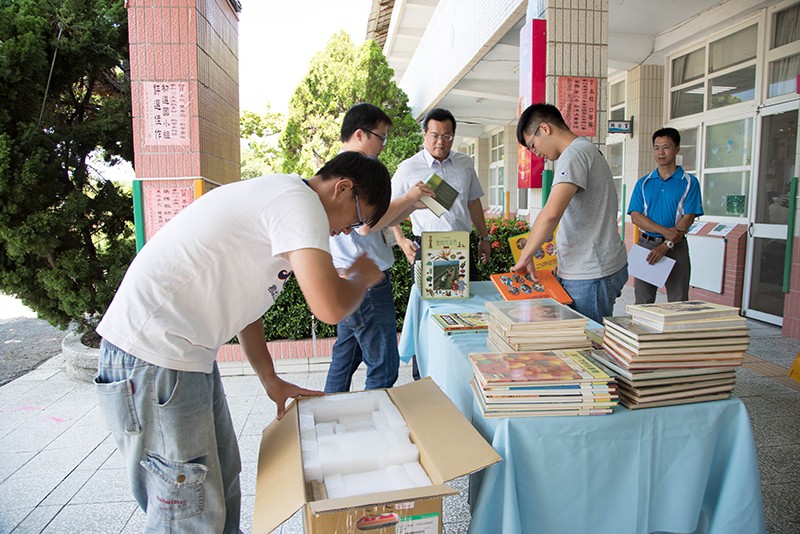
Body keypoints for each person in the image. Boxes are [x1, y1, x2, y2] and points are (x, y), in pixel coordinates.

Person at [94, 151, 391, 533]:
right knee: (188, 510)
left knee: (219, 482)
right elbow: (330, 307)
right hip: (153, 357)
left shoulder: (283, 199)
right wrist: (363, 278)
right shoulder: (297, 203)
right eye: (356, 219)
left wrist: (270, 378)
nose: (347, 232)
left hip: (180, 358)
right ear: (343, 187)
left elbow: (248, 306)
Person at [325, 103, 433, 393]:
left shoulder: (338, 170)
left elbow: (378, 221)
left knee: (344, 359)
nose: (383, 145)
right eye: (380, 137)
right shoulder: (353, 174)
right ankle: (375, 427)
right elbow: (367, 224)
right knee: (383, 367)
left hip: (349, 276)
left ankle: (328, 417)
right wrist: (408, 196)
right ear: (360, 134)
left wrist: (410, 203)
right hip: (365, 281)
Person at [390, 107, 491, 379]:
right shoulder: (409, 168)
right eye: (434, 135)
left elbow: (473, 202)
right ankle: (422, 375)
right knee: (428, 313)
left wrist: (484, 237)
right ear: (424, 134)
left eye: (447, 136)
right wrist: (401, 240)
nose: (440, 142)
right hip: (428, 249)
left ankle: (459, 371)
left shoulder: (465, 164)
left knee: (463, 311)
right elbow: (388, 209)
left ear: (454, 136)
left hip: (462, 247)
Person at [512, 103, 628, 325]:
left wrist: (526, 256)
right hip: (591, 267)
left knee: (587, 345)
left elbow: (551, 213)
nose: (537, 154)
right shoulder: (585, 149)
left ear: (545, 129)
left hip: (590, 273)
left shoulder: (573, 154)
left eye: (533, 146)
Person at [628, 127, 703, 304]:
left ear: (677, 148)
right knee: (643, 303)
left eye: (666, 147)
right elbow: (636, 217)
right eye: (656, 147)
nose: (661, 152)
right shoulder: (644, 182)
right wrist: (665, 232)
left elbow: (688, 217)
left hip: (676, 248)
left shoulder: (689, 182)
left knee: (678, 304)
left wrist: (667, 243)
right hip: (646, 247)